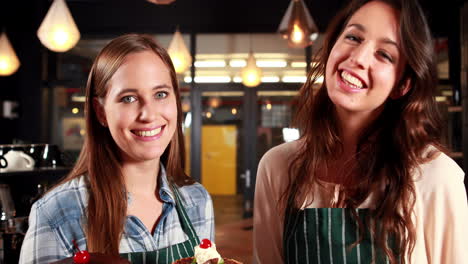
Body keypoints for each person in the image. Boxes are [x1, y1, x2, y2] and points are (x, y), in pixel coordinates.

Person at [253, 0, 468, 263]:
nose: (358, 57)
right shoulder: (278, 167)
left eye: (384, 54)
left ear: (402, 84)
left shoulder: (436, 177)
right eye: (353, 37)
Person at [19, 34, 214, 264]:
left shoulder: (197, 200)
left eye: (160, 94)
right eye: (129, 98)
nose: (149, 114)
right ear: (100, 112)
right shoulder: (57, 212)